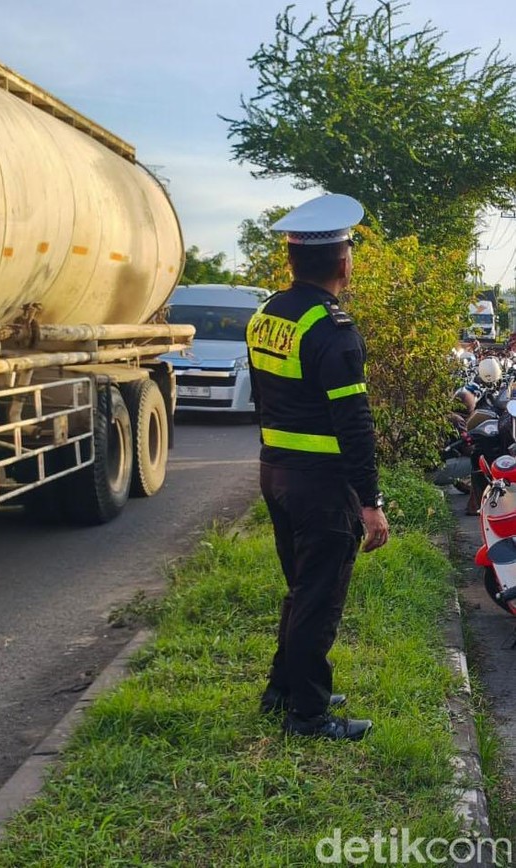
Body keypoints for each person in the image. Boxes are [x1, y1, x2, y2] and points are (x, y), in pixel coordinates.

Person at [245, 193, 389, 742]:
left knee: (301, 588)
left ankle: (284, 689)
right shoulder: (332, 330)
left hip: (276, 473)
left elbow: (262, 398)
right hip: (321, 486)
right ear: (343, 263)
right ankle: (308, 715)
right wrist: (370, 503)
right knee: (319, 599)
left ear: (292, 260)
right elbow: (355, 425)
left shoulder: (266, 316)